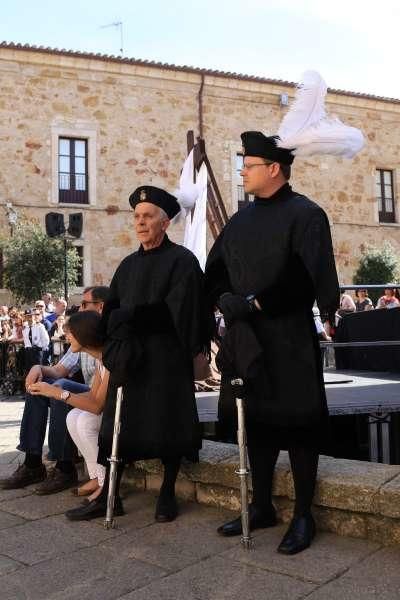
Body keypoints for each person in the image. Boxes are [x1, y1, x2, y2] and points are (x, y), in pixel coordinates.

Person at [205, 131, 339, 555]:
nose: (242, 170)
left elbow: (306, 276)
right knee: (256, 423)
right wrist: (227, 298)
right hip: (248, 341)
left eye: (249, 164)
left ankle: (303, 516)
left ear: (274, 169)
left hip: (290, 339)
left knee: (299, 425)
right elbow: (217, 266)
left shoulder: (307, 214)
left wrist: (255, 303)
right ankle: (261, 506)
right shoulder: (240, 219)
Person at [65, 185, 212, 522]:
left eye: (148, 217)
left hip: (166, 358)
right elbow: (113, 310)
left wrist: (132, 316)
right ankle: (110, 495)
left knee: (168, 423)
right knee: (116, 429)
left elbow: (184, 311)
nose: (140, 222)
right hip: (130, 360)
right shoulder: (128, 266)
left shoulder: (183, 262)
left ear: (164, 223)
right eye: (137, 217)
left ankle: (167, 492)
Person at [0, 286, 108, 493]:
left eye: (85, 304)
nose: (80, 308)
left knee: (57, 387)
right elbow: (59, 369)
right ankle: (33, 463)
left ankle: (65, 468)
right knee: (39, 386)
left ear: (101, 306)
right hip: (91, 391)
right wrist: (38, 367)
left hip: (102, 396)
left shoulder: (101, 334)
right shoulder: (83, 331)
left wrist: (57, 391)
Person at [29, 311, 108, 504]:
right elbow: (91, 395)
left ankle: (106, 484)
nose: (66, 337)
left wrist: (58, 394)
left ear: (84, 333)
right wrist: (52, 392)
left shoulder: (109, 358)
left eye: (70, 332)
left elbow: (97, 406)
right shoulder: (100, 359)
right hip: (109, 409)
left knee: (84, 422)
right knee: (73, 417)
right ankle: (97, 477)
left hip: (128, 415)